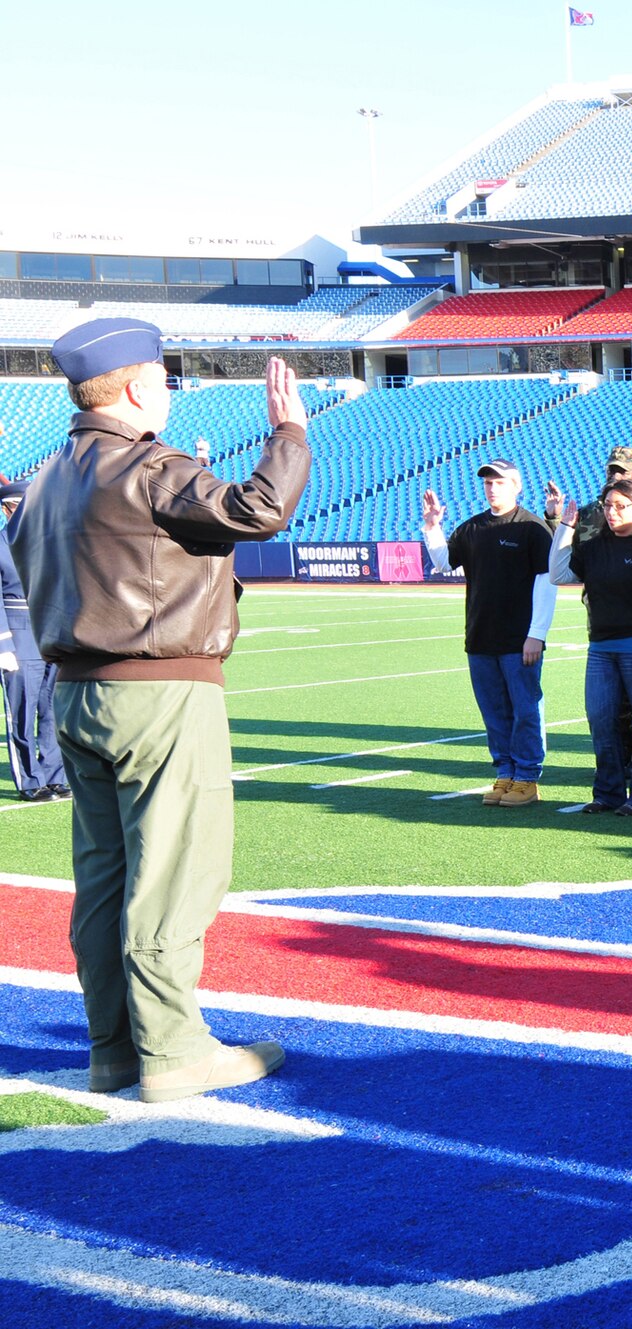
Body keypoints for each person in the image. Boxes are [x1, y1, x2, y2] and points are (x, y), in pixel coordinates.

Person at [10, 323, 307, 1101]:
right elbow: (259, 507)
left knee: (104, 878)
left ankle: (113, 1049)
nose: (170, 392)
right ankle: (175, 1051)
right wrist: (289, 434)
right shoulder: (147, 465)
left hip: (73, 693)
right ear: (139, 387)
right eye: (165, 379)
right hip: (159, 693)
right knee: (173, 874)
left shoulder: (43, 478)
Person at [422, 461, 557, 808]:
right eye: (487, 483)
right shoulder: (472, 528)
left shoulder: (532, 527)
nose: (492, 488)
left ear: (516, 486)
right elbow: (443, 562)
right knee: (494, 711)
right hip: (480, 636)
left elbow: (546, 583)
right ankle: (505, 771)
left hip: (519, 640)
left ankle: (527, 777)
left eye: (499, 482)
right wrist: (432, 526)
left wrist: (537, 634)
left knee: (525, 708)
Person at [549, 478, 632, 816]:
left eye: (620, 506)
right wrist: (565, 527)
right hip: (601, 649)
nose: (612, 512)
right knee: (601, 718)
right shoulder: (595, 546)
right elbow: (558, 573)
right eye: (608, 505)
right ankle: (607, 792)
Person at [0, 480, 63, 801]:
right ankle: (30, 780)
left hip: (51, 633)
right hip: (18, 634)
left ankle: (55, 774)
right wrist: (3, 645)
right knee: (22, 711)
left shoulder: (49, 544)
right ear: (8, 509)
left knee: (52, 708)